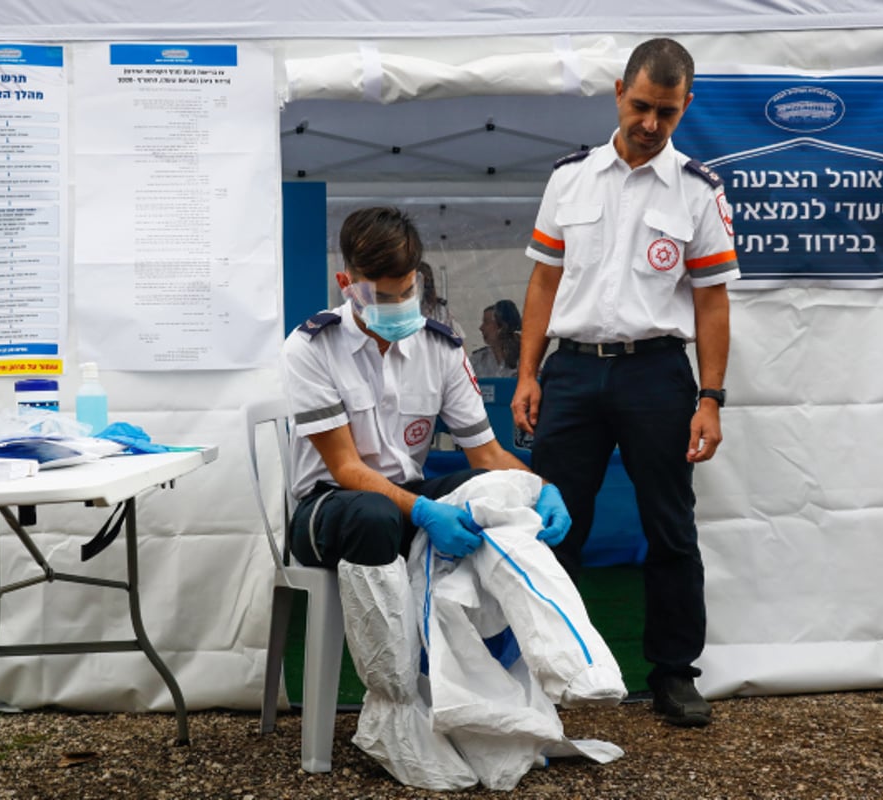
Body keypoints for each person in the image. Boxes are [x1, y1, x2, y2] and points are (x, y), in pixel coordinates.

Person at [281, 206, 583, 786]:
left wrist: (541, 488)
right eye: (384, 294)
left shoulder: (441, 347)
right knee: (373, 514)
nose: (399, 305)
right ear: (348, 283)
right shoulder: (311, 347)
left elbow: (486, 455)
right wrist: (420, 510)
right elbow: (345, 468)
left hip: (406, 500)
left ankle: (509, 706)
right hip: (327, 509)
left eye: (407, 289)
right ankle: (394, 719)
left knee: (499, 494)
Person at [512, 38, 738, 729]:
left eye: (665, 112)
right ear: (618, 91)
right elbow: (545, 278)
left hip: (657, 374)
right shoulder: (570, 178)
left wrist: (711, 397)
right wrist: (526, 371)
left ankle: (673, 674)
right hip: (573, 370)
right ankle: (543, 671)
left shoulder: (699, 190)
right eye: (641, 105)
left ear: (685, 107)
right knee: (552, 525)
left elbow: (711, 301)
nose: (650, 122)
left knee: (669, 528)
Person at [470, 300, 521, 378]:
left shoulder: (524, 360)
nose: (481, 328)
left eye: (486, 322)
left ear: (501, 327)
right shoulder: (477, 361)